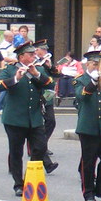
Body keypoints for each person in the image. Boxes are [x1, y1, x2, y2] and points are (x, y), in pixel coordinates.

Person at [0, 41, 55, 196]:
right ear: (21, 56)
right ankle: (18, 183)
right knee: (16, 152)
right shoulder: (10, 69)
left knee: (40, 147)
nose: (33, 57)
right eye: (30, 55)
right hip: (14, 118)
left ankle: (30, 177)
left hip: (34, 117)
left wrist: (36, 73)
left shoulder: (39, 69)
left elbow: (50, 83)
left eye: (33, 54)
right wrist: (16, 78)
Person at [73, 51, 101, 201]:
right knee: (89, 161)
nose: (97, 67)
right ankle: (89, 192)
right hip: (88, 127)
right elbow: (81, 96)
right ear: (87, 64)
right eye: (94, 64)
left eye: (99, 64)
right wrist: (92, 82)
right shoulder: (80, 80)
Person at [33, 39, 60, 172]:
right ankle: (43, 156)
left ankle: (42, 145)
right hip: (37, 97)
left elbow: (57, 75)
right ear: (36, 50)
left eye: (46, 50)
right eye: (42, 49)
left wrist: (50, 67)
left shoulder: (46, 62)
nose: (45, 52)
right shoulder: (32, 62)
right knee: (34, 131)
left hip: (47, 97)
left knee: (51, 122)